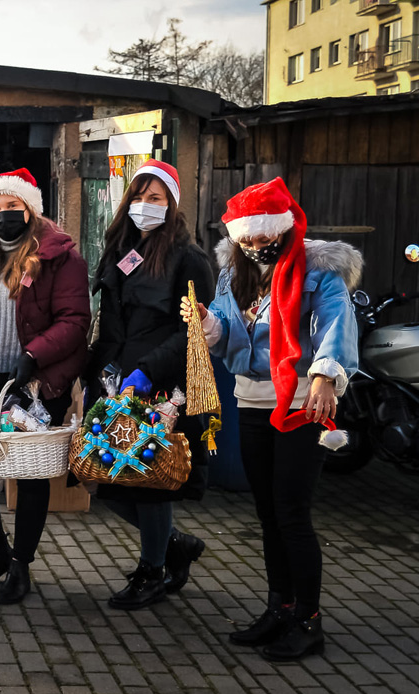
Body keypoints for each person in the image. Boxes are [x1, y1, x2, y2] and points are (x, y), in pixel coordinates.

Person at [182, 177, 359, 661]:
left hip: (303, 402)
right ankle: (278, 608)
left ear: (283, 230)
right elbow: (230, 335)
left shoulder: (318, 274)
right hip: (251, 400)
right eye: (249, 239)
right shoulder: (231, 277)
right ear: (237, 238)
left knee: (292, 512)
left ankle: (308, 619)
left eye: (266, 238)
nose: (258, 246)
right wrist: (208, 324)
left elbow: (336, 324)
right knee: (267, 512)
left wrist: (325, 375)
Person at [0, 169, 90, 603]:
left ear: (30, 207)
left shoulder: (60, 257)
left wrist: (33, 358)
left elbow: (75, 321)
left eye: (13, 206)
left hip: (36, 381)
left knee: (29, 475)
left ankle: (21, 566)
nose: (4, 215)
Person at [89, 159, 214, 610]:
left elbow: (192, 330)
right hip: (117, 384)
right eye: (139, 196)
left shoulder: (189, 257)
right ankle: (174, 545)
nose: (145, 205)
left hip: (162, 388)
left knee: (149, 480)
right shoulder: (121, 249)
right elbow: (110, 321)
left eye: (156, 198)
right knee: (104, 480)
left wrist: (147, 373)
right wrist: (102, 370)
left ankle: (152, 571)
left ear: (172, 205)